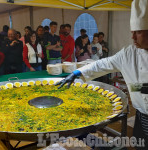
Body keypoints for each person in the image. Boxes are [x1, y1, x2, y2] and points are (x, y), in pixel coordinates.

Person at [56, 0, 148, 149]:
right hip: (141, 117)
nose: (132, 37)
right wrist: (78, 72)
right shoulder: (129, 54)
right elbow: (103, 64)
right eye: (132, 32)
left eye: (137, 32)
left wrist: (137, 88)